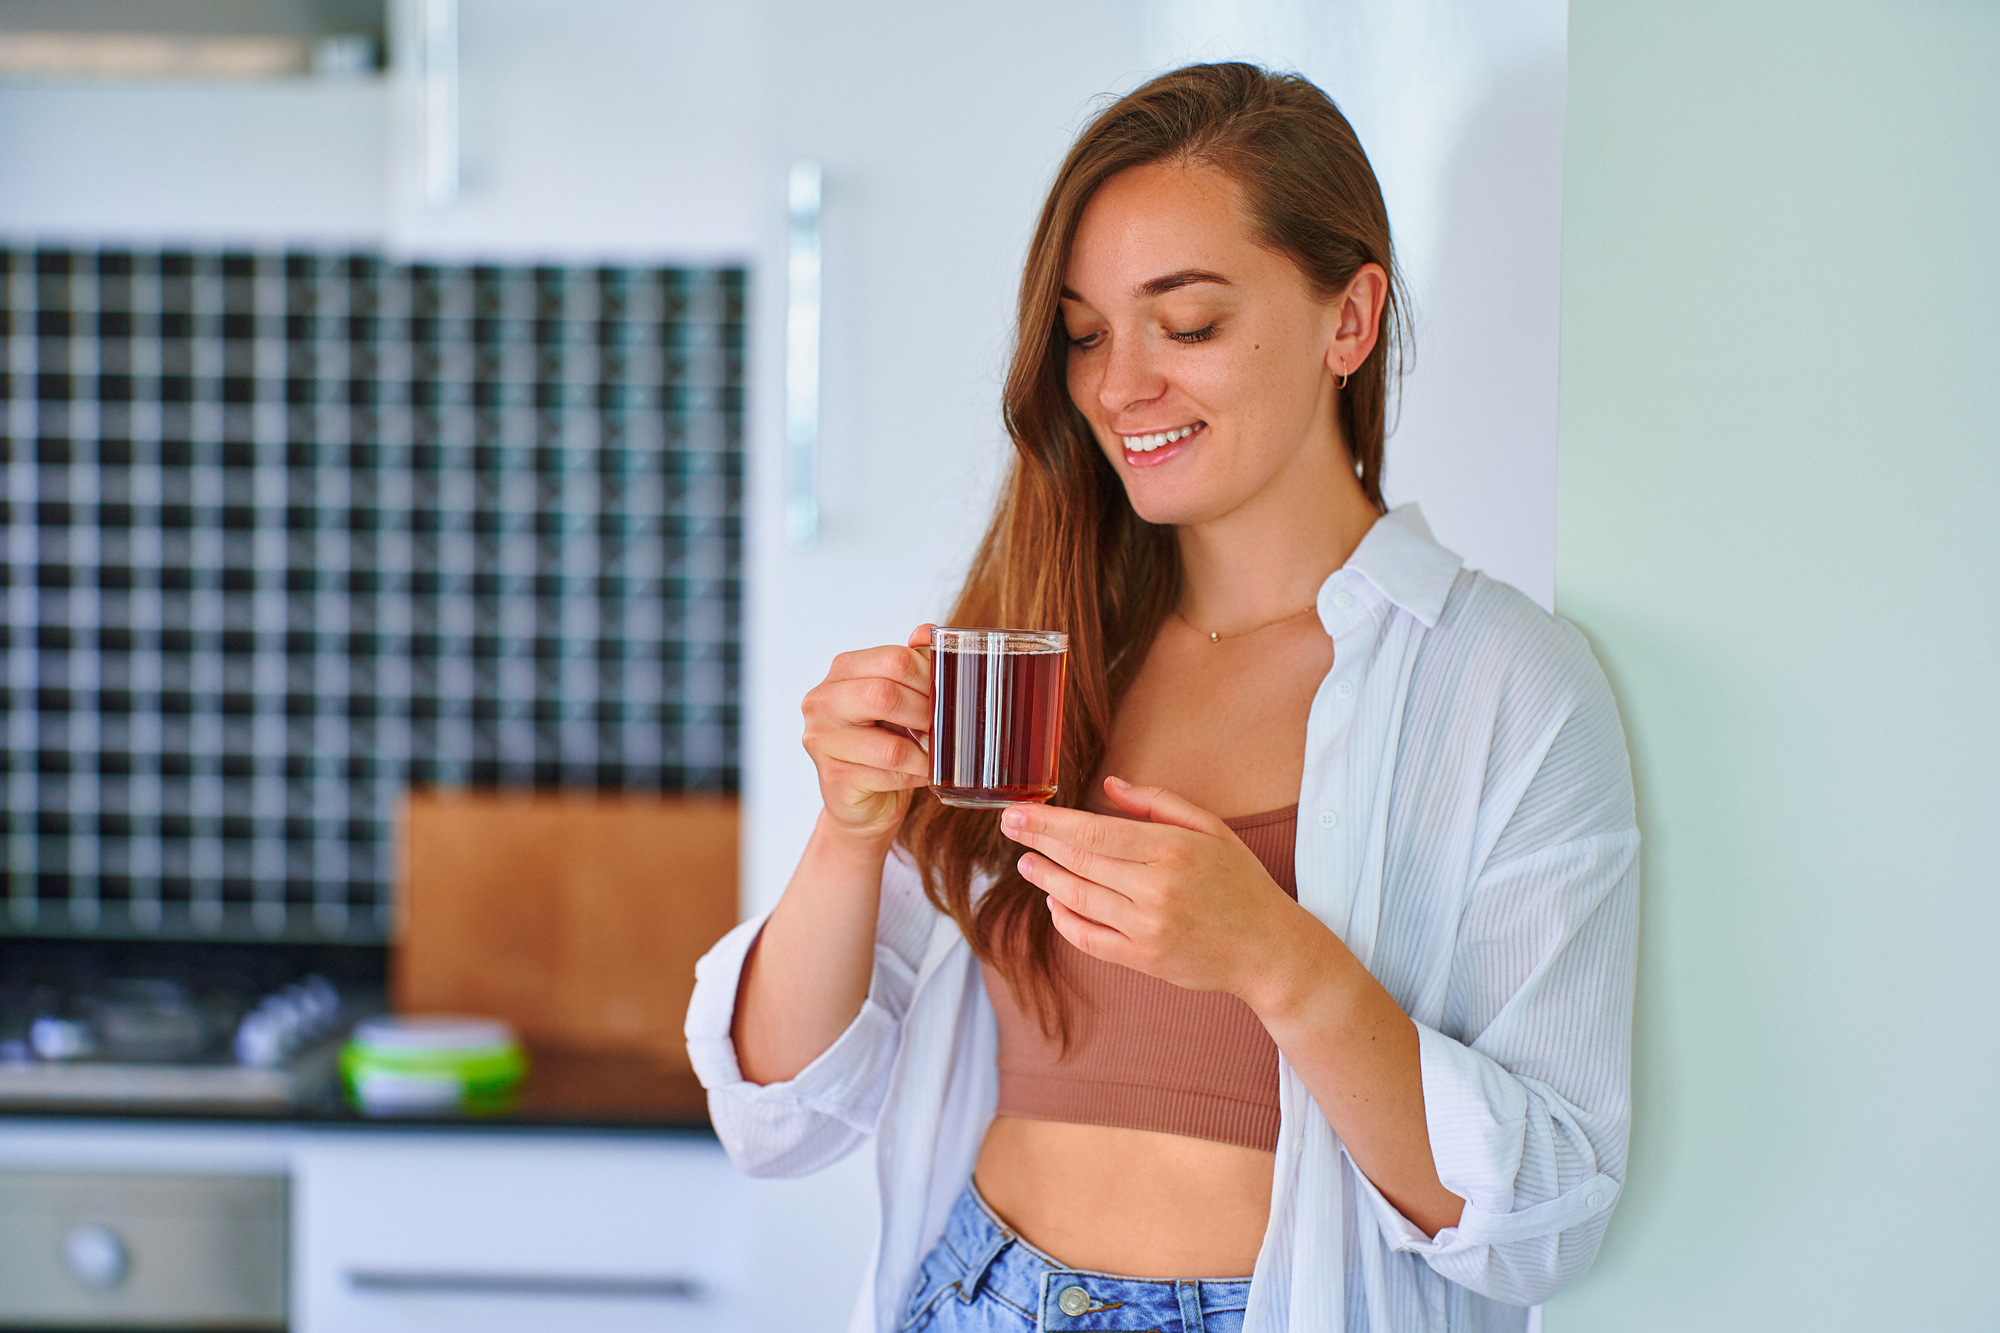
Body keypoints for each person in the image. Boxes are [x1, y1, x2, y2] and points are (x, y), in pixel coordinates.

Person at [686, 62, 1638, 1333]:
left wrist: (1276, 959)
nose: (1117, 386)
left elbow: (1544, 1217)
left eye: (1183, 326)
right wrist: (848, 831)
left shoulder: (1502, 683)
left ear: (1347, 321)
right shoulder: (1038, 653)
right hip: (969, 1294)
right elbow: (775, 1114)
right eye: (1084, 333)